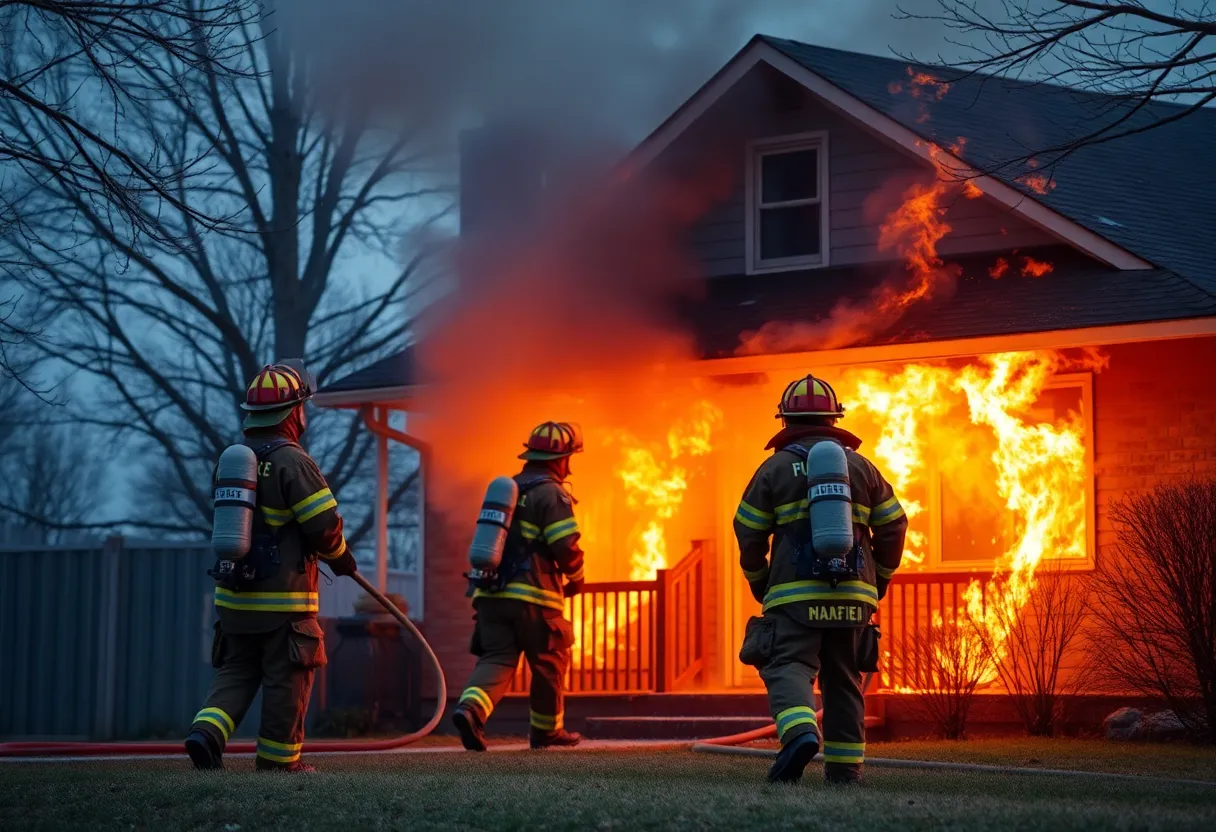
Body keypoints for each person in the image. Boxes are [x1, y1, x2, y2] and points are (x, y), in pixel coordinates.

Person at [734, 374, 907, 785]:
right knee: (844, 678)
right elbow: (895, 526)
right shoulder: (863, 468)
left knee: (788, 664)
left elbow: (748, 530)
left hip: (793, 598)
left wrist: (761, 582)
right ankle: (846, 769)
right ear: (834, 420)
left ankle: (799, 734)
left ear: (785, 422)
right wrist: (877, 579)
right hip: (854, 597)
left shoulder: (774, 469)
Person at [185, 360, 358, 772]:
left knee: (237, 672)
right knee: (288, 678)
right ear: (294, 412)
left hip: (233, 600)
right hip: (282, 605)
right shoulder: (292, 462)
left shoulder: (231, 462)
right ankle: (280, 763)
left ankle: (205, 733)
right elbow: (325, 527)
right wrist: (343, 560)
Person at [452, 421, 587, 751]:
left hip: (489, 595)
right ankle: (546, 732)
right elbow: (564, 544)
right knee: (548, 662)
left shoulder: (507, 491)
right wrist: (577, 577)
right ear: (561, 459)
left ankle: (471, 710)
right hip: (534, 598)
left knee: (497, 659)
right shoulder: (551, 494)